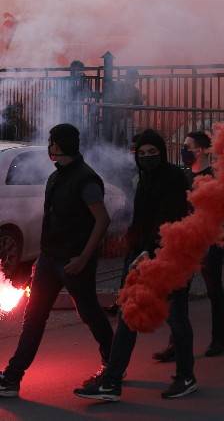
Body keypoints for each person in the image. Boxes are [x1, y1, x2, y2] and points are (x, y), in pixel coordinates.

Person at [73, 129, 197, 402]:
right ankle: (112, 380)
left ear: (162, 153)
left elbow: (170, 219)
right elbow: (142, 218)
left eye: (152, 152)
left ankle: (186, 376)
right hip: (141, 255)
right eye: (142, 153)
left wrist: (149, 251)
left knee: (176, 317)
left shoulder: (173, 178)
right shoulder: (144, 179)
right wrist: (131, 243)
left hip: (170, 257)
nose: (147, 157)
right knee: (129, 314)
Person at [0, 125, 114, 399]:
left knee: (89, 313)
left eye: (51, 142)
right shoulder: (56, 177)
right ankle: (12, 377)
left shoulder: (86, 179)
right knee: (34, 317)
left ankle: (113, 364)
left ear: (58, 145)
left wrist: (83, 258)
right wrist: (42, 257)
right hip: (50, 260)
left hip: (73, 261)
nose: (49, 147)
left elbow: (102, 220)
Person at [152, 131, 224, 362]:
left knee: (213, 289)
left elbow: (220, 212)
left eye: (188, 146)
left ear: (202, 150)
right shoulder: (182, 176)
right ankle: (175, 343)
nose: (184, 150)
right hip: (185, 240)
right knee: (178, 292)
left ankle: (218, 338)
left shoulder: (213, 177)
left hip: (209, 240)